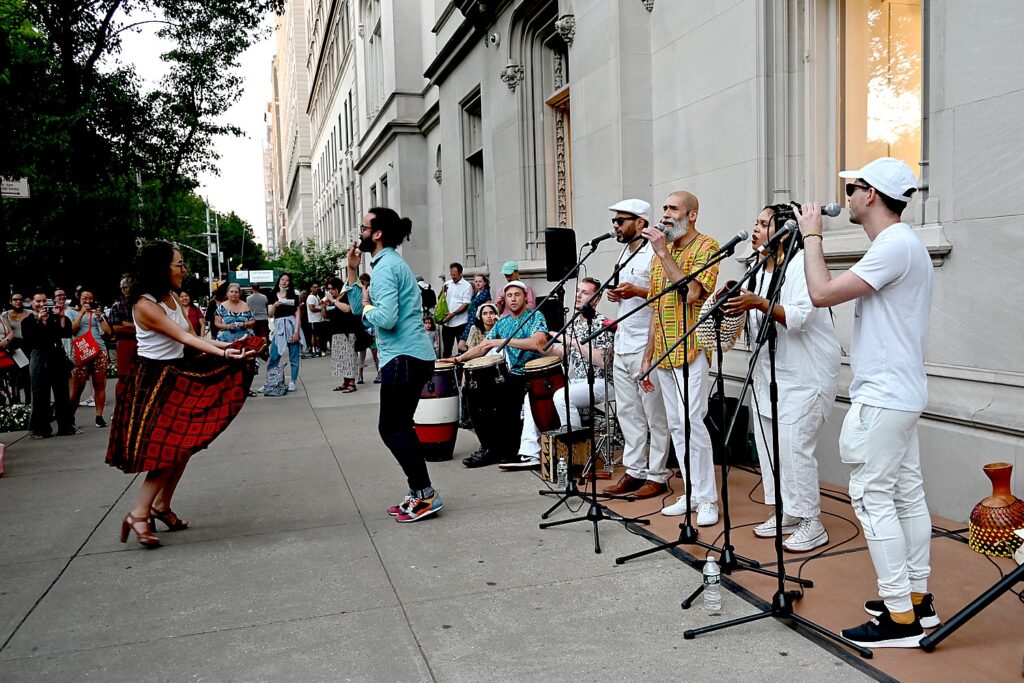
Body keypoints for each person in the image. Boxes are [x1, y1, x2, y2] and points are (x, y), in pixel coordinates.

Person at [797, 157, 935, 648]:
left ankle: (899, 616)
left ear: (871, 194)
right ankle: (916, 600)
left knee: (873, 499)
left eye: (853, 188)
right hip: (900, 392)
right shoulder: (902, 245)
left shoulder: (893, 245)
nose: (848, 196)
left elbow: (820, 294)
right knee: (905, 495)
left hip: (884, 396)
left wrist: (812, 234)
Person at [106, 241, 257, 548]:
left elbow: (193, 338)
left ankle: (160, 507)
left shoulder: (171, 297)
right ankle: (139, 513)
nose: (183, 269)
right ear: (161, 268)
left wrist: (225, 347)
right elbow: (183, 336)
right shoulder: (145, 305)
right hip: (155, 380)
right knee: (169, 450)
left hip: (178, 372)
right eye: (178, 264)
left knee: (186, 444)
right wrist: (225, 354)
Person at [722, 204, 840, 552]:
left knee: (794, 450)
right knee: (770, 449)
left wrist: (757, 302)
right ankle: (787, 510)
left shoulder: (804, 269)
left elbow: (799, 317)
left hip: (806, 378)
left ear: (786, 231)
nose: (755, 229)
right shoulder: (757, 272)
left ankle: (812, 522)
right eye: (755, 222)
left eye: (763, 224)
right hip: (770, 377)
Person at [345, 207, 443, 523]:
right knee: (399, 427)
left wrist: (368, 310)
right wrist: (352, 274)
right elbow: (359, 309)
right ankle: (419, 493)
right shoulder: (385, 265)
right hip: (408, 357)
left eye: (363, 227)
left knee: (392, 428)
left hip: (404, 357)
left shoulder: (386, 268)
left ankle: (425, 495)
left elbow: (383, 318)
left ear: (377, 234)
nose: (359, 232)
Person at [639, 191, 721, 526]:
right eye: (665, 208)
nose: (666, 214)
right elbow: (657, 309)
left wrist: (661, 251)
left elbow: (692, 294)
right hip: (664, 352)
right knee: (676, 425)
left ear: (692, 215)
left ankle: (708, 499)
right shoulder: (663, 253)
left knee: (693, 423)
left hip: (692, 351)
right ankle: (692, 490)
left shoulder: (708, 247)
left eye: (673, 208)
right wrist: (648, 358)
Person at [501, 278, 614, 471]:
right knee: (533, 395)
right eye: (578, 291)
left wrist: (569, 341)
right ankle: (530, 453)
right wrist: (542, 346)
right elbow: (562, 352)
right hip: (577, 381)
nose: (578, 295)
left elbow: (603, 361)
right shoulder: (573, 324)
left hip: (601, 383)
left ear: (596, 299)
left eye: (585, 293)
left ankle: (577, 454)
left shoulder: (602, 324)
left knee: (562, 396)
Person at [602, 199, 673, 500]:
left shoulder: (655, 252)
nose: (616, 226)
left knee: (654, 414)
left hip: (649, 344)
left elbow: (669, 292)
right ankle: (633, 470)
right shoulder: (624, 251)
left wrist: (636, 291)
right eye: (615, 221)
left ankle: (657, 474)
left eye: (621, 221)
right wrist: (618, 293)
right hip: (623, 341)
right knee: (628, 411)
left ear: (640, 223)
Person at [449, 280, 547, 468]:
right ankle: (489, 448)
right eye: (509, 296)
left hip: (533, 373)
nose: (513, 299)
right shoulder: (503, 322)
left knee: (505, 395)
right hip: (512, 374)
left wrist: (504, 341)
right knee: (476, 393)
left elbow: (539, 342)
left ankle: (504, 449)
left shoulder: (535, 316)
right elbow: (483, 346)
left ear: (525, 297)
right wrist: (457, 360)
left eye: (517, 295)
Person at [21, 289, 78, 438]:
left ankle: (65, 426)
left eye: (44, 301)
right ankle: (40, 429)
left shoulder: (53, 317)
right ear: (31, 302)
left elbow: (65, 332)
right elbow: (31, 340)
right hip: (39, 357)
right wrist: (40, 321)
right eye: (38, 301)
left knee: (62, 393)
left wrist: (61, 317)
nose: (41, 304)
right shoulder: (27, 321)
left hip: (56, 356)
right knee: (40, 394)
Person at [68, 290, 113, 428]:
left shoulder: (97, 313)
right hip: (82, 351)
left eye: (90, 298)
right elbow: (72, 330)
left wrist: (99, 318)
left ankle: (99, 416)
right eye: (84, 298)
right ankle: (70, 417)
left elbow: (108, 332)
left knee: (99, 384)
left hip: (99, 350)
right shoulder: (72, 312)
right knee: (78, 387)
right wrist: (81, 313)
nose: (87, 301)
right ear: (79, 299)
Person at [323, 277, 361, 392]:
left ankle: (352, 383)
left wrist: (334, 301)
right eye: (329, 289)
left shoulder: (345, 296)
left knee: (349, 357)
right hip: (336, 332)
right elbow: (325, 316)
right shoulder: (332, 299)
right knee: (341, 359)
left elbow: (347, 309)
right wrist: (324, 306)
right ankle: (345, 381)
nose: (331, 292)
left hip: (347, 332)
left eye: (333, 289)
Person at [268, 273, 303, 392]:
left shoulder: (294, 295)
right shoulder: (272, 294)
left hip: (291, 324)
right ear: (279, 281)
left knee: (294, 356)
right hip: (278, 327)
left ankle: (293, 381)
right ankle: (270, 381)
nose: (284, 282)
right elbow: (270, 314)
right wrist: (274, 305)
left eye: (287, 280)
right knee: (274, 355)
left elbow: (298, 314)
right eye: (282, 279)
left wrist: (296, 331)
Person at [1, 292, 31, 403]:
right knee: (13, 378)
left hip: (27, 346)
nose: (18, 301)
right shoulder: (4, 315)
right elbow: (7, 331)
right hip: (13, 348)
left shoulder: (30, 313)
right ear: (10, 301)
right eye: (15, 299)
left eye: (20, 299)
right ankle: (16, 403)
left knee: (27, 377)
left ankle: (29, 403)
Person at [109, 278, 139, 391]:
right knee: (124, 377)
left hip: (142, 343)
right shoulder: (117, 306)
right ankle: (122, 407)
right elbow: (116, 328)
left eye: (126, 286)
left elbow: (149, 326)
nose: (124, 290)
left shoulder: (142, 304)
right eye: (122, 288)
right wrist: (137, 326)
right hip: (124, 344)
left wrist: (127, 324)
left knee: (141, 376)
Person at [440, 262, 472, 357]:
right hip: (447, 323)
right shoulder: (447, 284)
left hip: (460, 322)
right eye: (451, 274)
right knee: (446, 349)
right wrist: (442, 292)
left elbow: (465, 304)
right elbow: (440, 300)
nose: (453, 277)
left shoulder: (467, 286)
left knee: (461, 348)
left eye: (455, 275)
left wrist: (453, 314)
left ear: (461, 273)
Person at [457, 274, 491, 352]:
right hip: (470, 320)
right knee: (462, 344)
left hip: (476, 321)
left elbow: (486, 305)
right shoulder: (476, 293)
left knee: (467, 344)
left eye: (480, 281)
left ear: (484, 282)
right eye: (476, 282)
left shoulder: (485, 293)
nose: (478, 283)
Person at [307, 283, 328, 357]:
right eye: (314, 287)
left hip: (319, 319)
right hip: (314, 319)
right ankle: (316, 350)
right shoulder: (311, 297)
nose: (316, 288)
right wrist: (321, 308)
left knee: (320, 335)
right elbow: (312, 308)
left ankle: (320, 349)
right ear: (311, 288)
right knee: (316, 336)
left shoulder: (317, 296)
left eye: (317, 287)